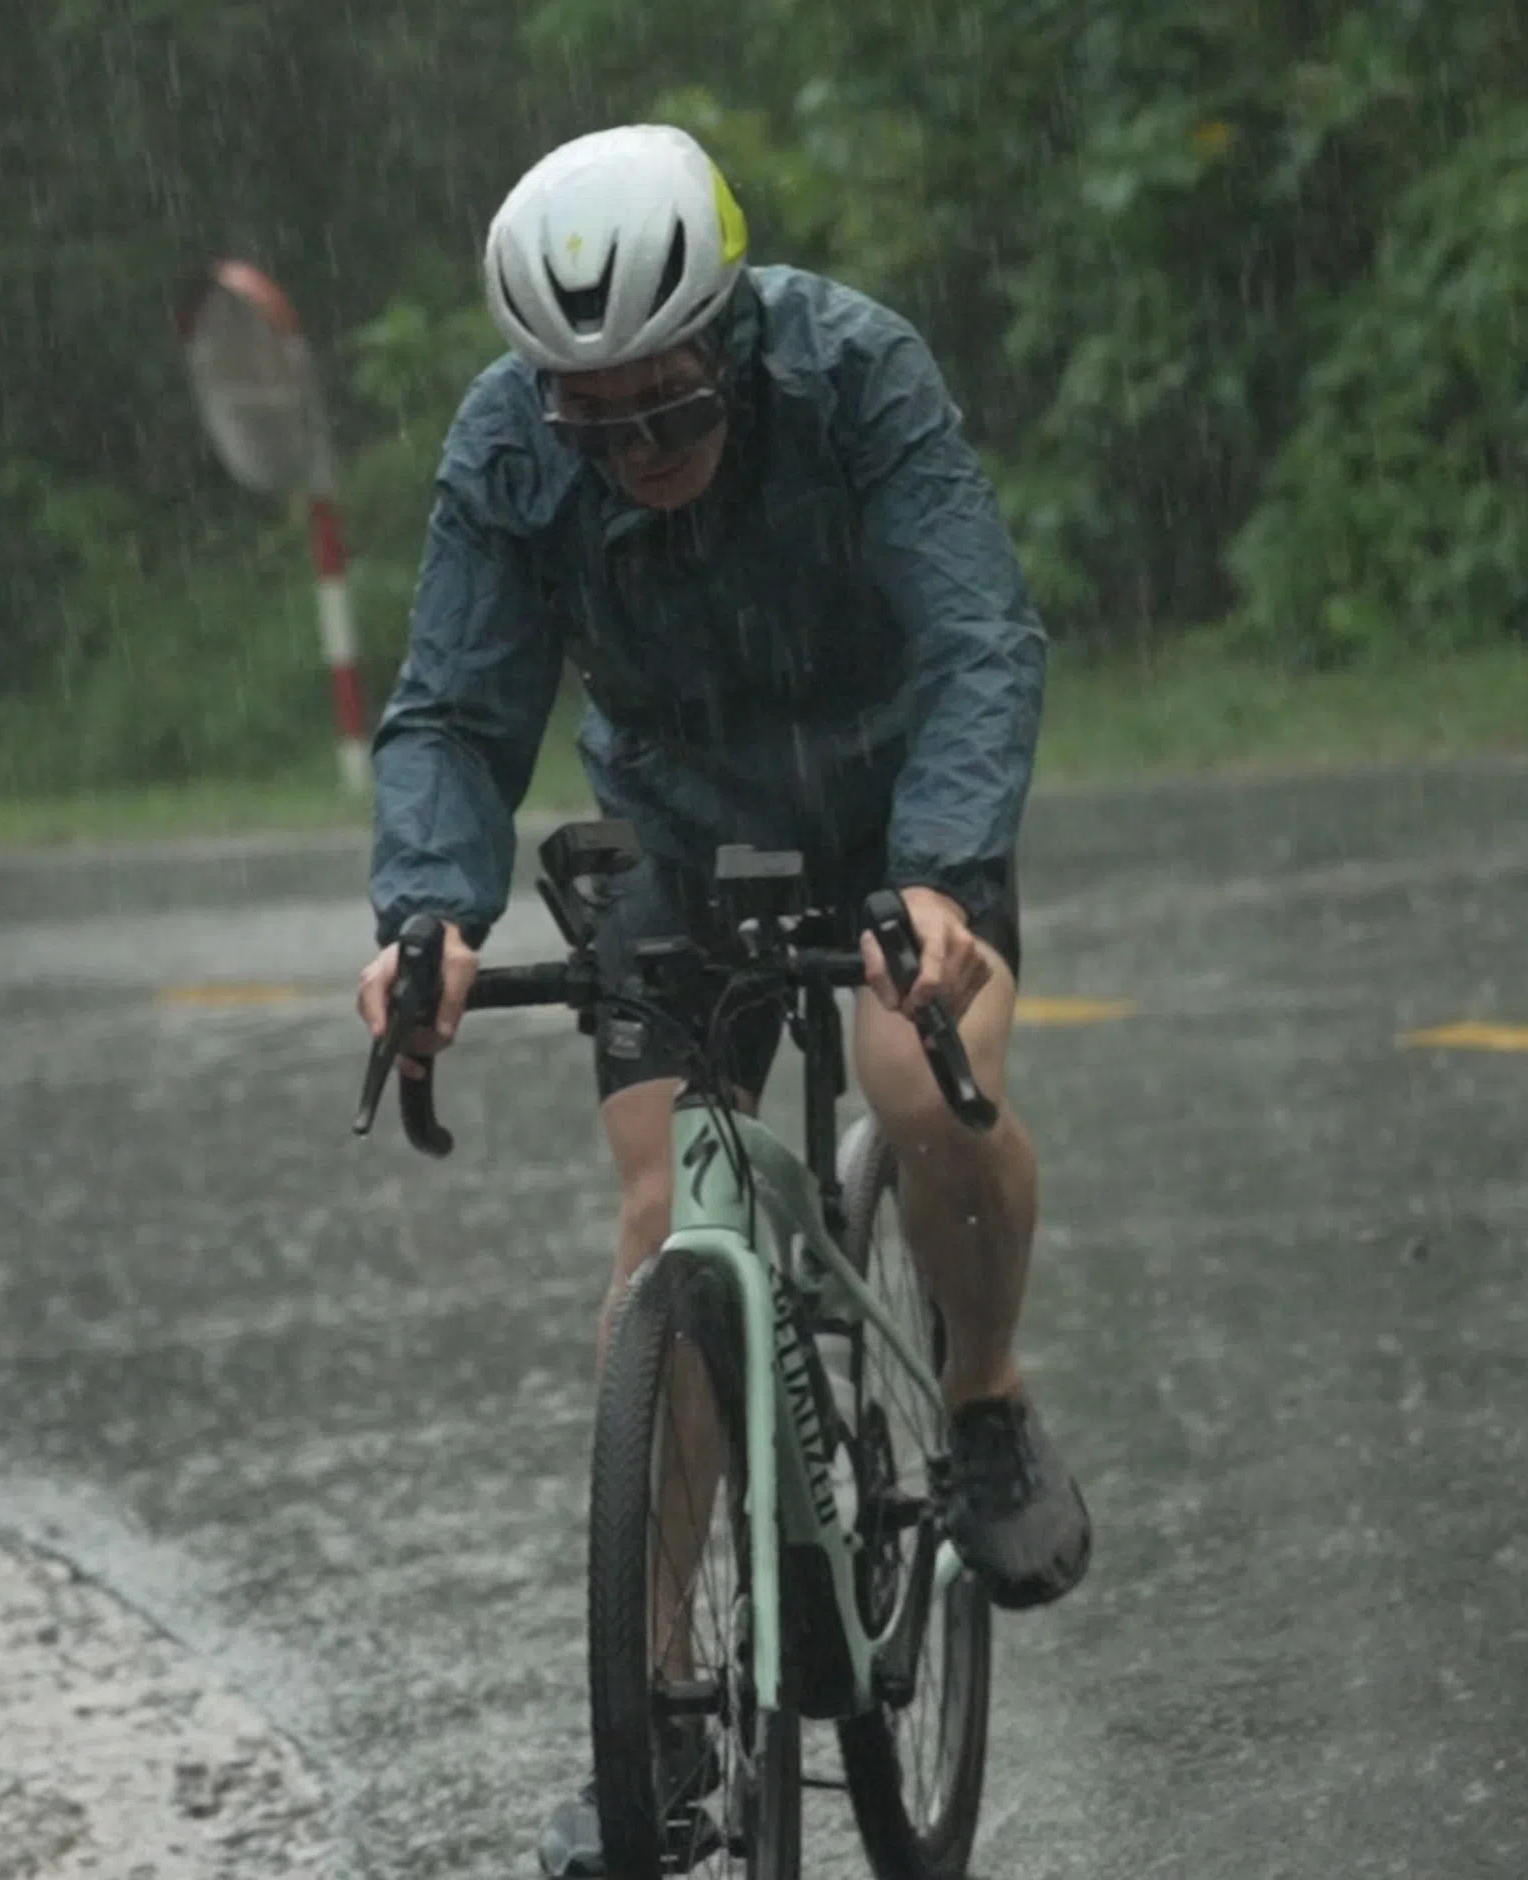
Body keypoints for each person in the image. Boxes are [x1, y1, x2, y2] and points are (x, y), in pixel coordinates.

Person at [350, 124, 1091, 1876]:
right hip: (679, 834)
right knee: (660, 1220)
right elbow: (455, 710)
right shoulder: (505, 447)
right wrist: (428, 919)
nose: (638, 452)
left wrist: (939, 877)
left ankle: (983, 1401)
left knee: (917, 1092)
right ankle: (661, 1710)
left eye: (670, 409)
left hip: (896, 819)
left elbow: (978, 639)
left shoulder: (855, 372)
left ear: (731, 339)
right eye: (594, 426)